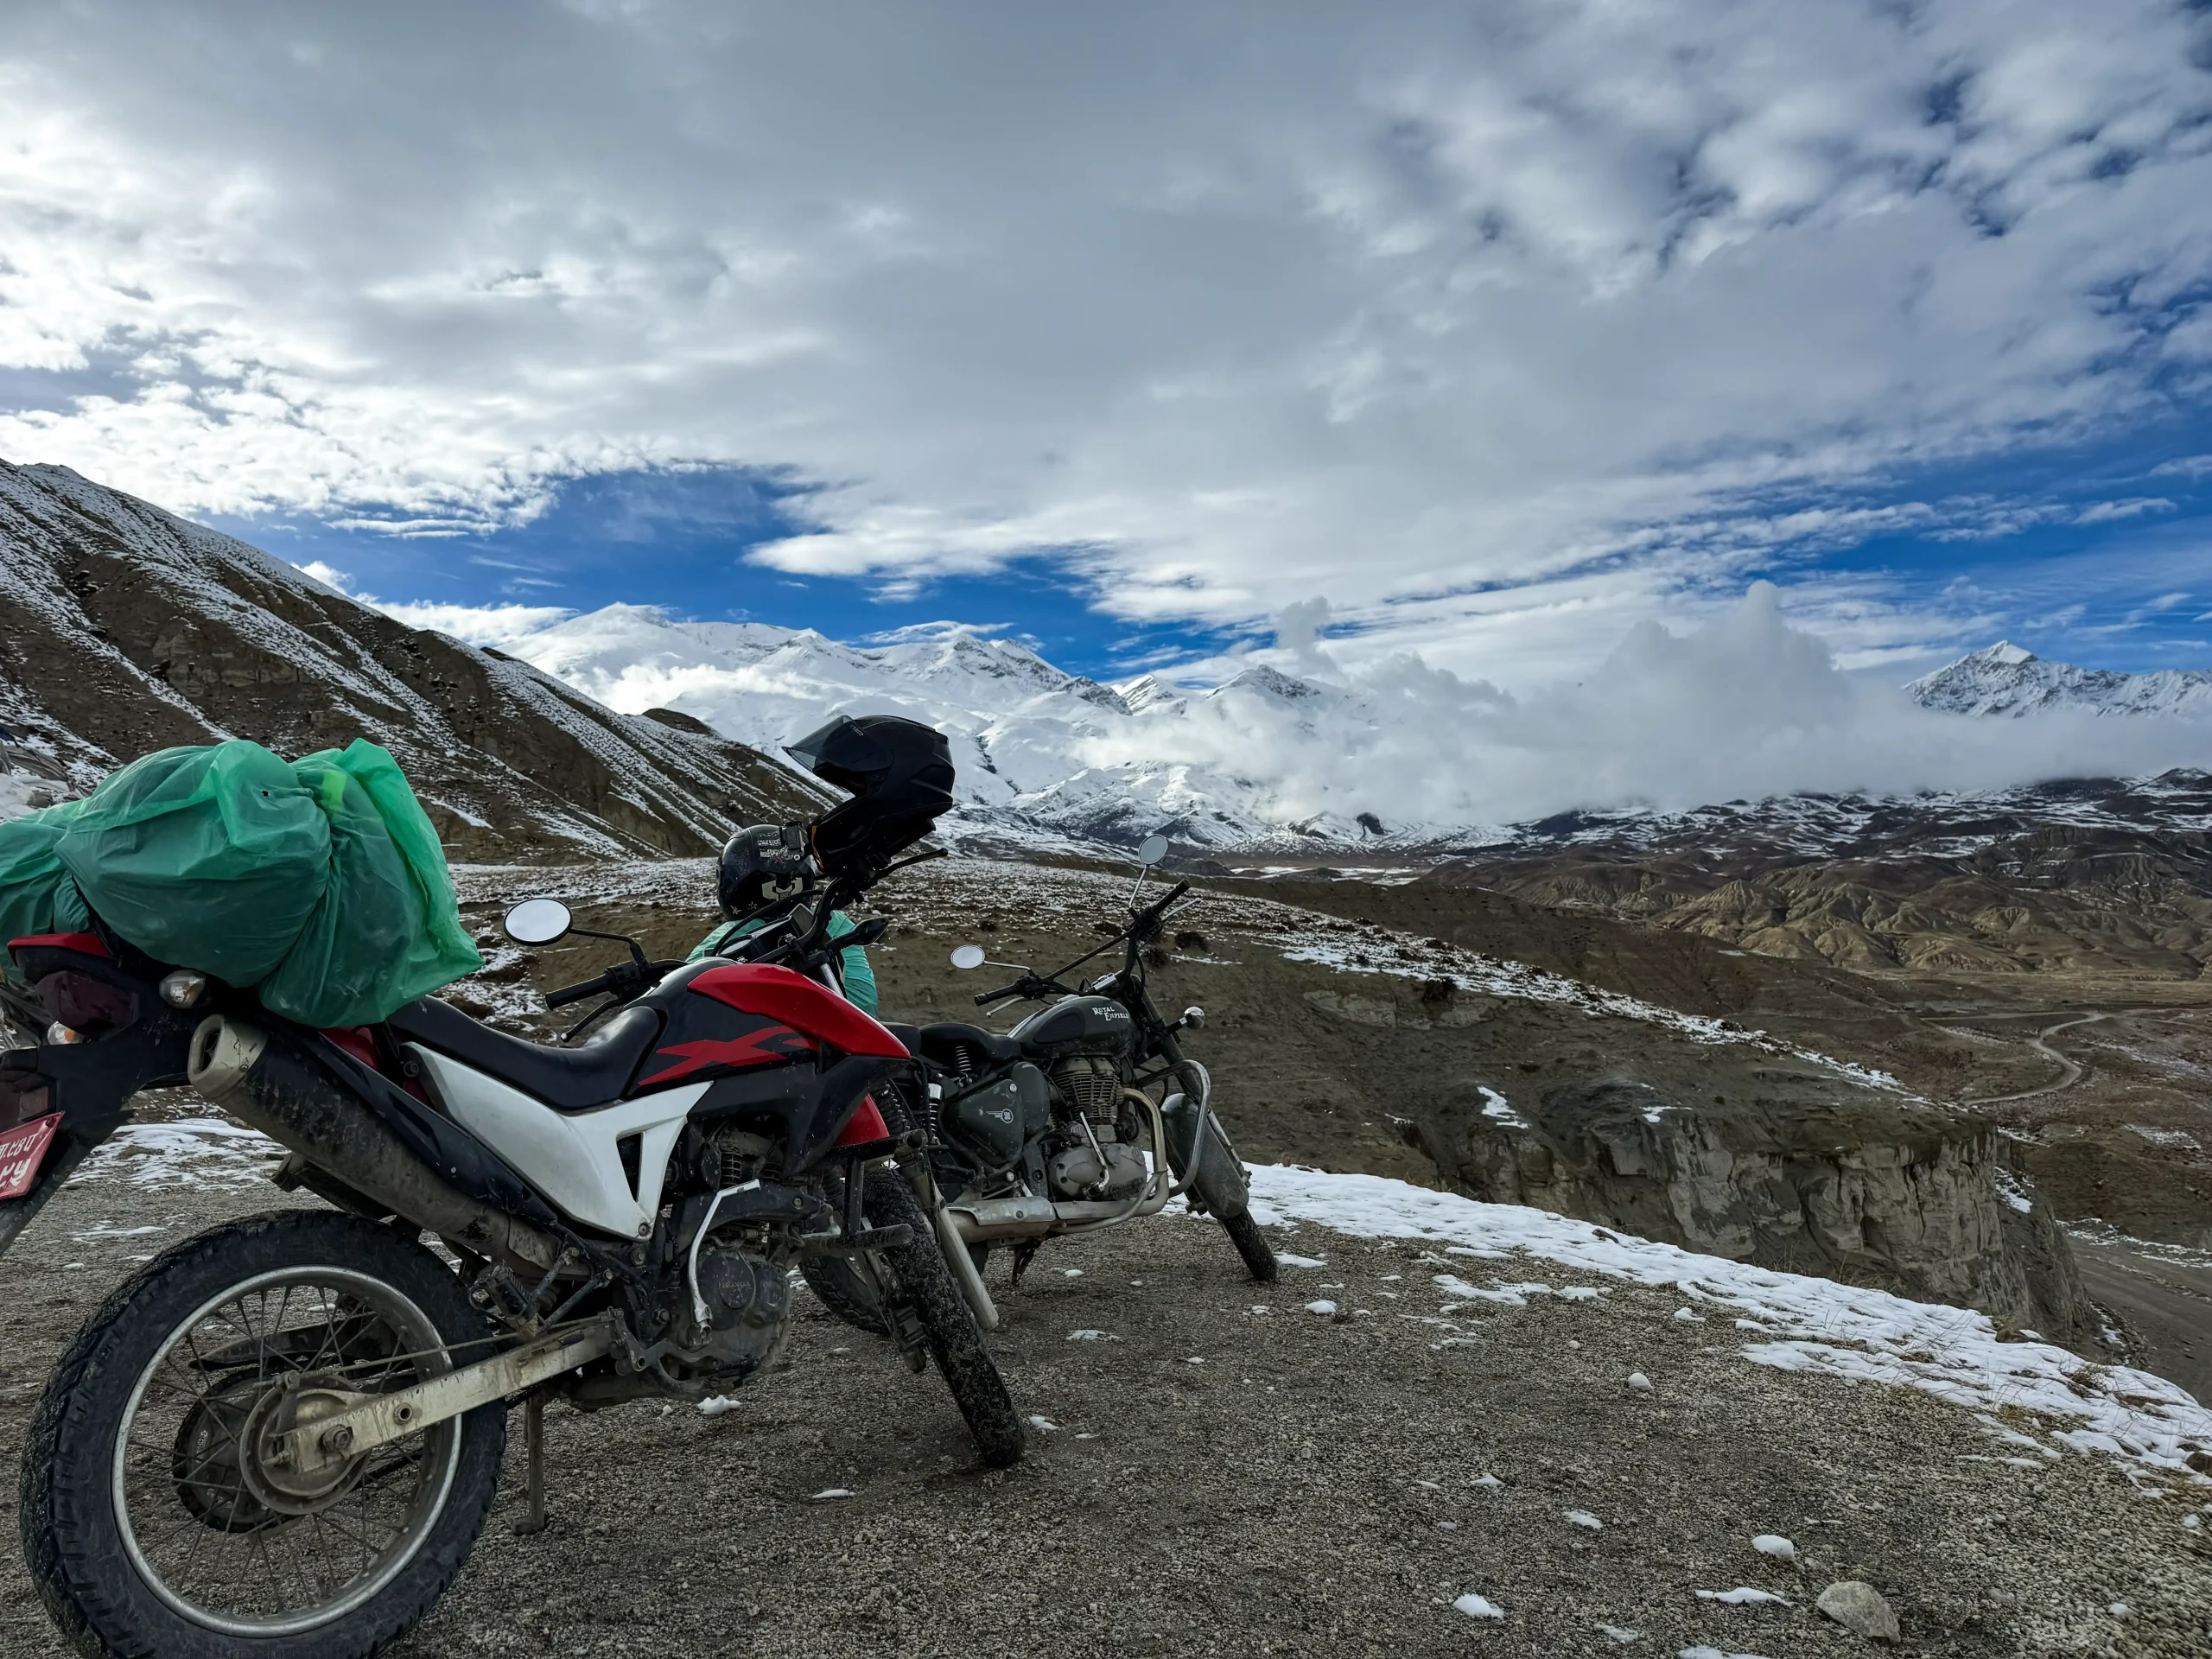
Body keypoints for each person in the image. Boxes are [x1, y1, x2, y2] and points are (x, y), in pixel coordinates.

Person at [687, 823, 878, 1015]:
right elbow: (865, 1004)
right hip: (843, 1034)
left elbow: (683, 1000)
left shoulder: (730, 935)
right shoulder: (833, 921)